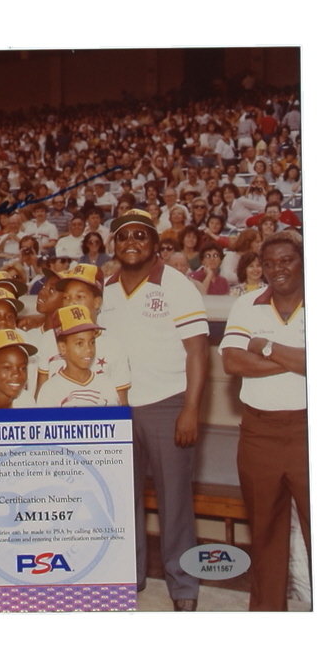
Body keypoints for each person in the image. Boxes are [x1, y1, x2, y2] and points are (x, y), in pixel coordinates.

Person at [99, 210, 208, 610]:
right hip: (119, 408)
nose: (131, 241)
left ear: (154, 242)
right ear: (113, 243)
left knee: (174, 501)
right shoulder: (105, 289)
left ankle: (183, 587)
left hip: (167, 404)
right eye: (123, 235)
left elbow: (198, 352)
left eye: (140, 235)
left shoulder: (176, 285)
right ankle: (132, 574)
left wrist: (191, 409)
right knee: (121, 498)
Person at [219, 233, 308, 611]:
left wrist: (266, 347)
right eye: (269, 263)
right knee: (266, 537)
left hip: (311, 434)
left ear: (302, 261)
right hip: (259, 434)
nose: (278, 269)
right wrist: (296, 359)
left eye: (286, 260)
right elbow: (233, 363)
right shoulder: (246, 304)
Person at [36, 305, 118, 408]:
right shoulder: (50, 389)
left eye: (92, 342)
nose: (88, 349)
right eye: (80, 343)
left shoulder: (106, 386)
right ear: (62, 348)